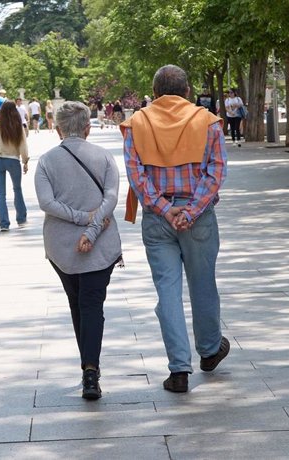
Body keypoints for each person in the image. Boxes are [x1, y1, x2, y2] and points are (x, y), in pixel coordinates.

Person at [120, 64, 229, 393]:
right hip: (198, 218)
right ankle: (209, 351)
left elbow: (136, 176)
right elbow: (217, 172)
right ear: (187, 90)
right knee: (203, 284)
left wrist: (167, 211)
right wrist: (191, 211)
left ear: (154, 94)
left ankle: (179, 369)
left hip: (158, 218)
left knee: (167, 292)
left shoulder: (136, 124)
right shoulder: (207, 122)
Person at [34, 101, 122, 400]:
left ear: (57, 129)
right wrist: (93, 226)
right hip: (101, 245)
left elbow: (46, 202)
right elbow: (111, 198)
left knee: (77, 303)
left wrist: (79, 220)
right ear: (88, 128)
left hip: (61, 246)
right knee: (92, 305)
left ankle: (88, 367)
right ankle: (91, 370)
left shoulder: (46, 161)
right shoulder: (105, 157)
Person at [0, 101, 29, 231]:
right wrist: (25, 161)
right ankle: (21, 219)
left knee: (1, 193)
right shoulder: (17, 125)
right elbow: (23, 145)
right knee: (17, 189)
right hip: (13, 160)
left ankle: (4, 223)